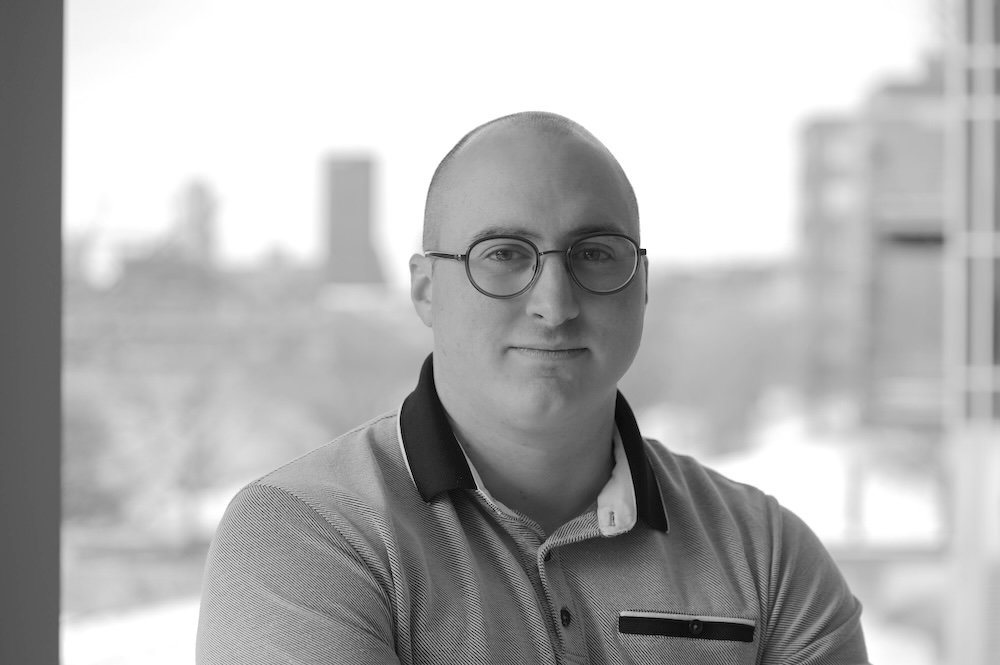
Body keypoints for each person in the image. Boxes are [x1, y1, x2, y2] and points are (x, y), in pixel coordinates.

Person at [196, 111, 870, 664]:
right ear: (425, 287)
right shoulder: (305, 533)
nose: (554, 301)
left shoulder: (768, 556)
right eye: (504, 254)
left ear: (642, 285)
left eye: (594, 253)